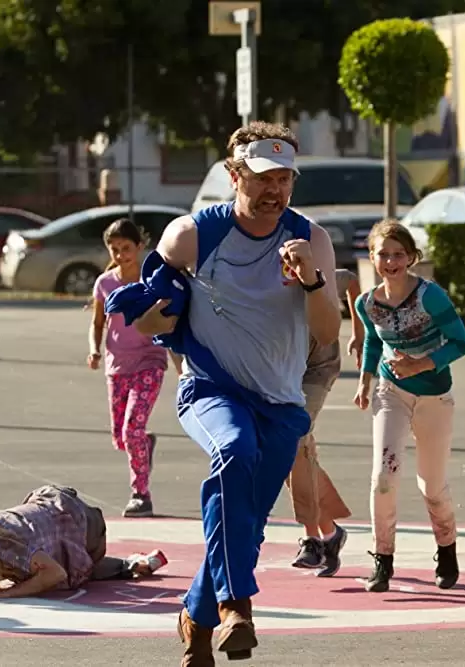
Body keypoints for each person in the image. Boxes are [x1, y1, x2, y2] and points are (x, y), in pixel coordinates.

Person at [131, 122, 340, 665]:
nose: (275, 192)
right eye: (263, 179)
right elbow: (149, 317)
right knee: (233, 452)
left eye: (285, 180)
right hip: (209, 387)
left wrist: (312, 279)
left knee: (243, 525)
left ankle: (195, 622)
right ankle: (235, 607)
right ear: (234, 174)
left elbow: (327, 332)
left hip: (281, 402)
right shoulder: (192, 235)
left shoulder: (310, 238)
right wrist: (153, 314)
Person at [354, 220, 465, 593]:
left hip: (435, 396)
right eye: (383, 254)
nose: (391, 261)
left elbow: (460, 342)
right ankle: (382, 559)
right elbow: (373, 340)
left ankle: (447, 550)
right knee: (383, 478)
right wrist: (365, 380)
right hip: (391, 394)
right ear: (372, 258)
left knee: (432, 486)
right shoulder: (367, 302)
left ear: (411, 258)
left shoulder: (430, 296)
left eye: (398, 254)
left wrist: (422, 364)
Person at [0, 485, 167, 599]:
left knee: (73, 571)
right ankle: (138, 564)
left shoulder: (4, 545)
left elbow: (55, 574)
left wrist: (8, 593)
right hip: (59, 509)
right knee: (75, 565)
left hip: (83, 524)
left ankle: (136, 564)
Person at [88, 219, 176, 518]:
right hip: (117, 365)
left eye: (126, 248)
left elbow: (171, 315)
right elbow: (98, 323)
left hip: (149, 361)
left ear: (140, 247)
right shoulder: (105, 283)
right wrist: (94, 349)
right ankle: (143, 445)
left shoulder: (151, 281)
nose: (120, 254)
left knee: (131, 430)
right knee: (121, 438)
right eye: (114, 249)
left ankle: (141, 494)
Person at [286, 268, 361, 576]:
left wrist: (360, 330)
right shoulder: (258, 279)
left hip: (318, 369)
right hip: (281, 371)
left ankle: (312, 539)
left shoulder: (324, 276)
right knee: (294, 454)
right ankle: (330, 532)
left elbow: (353, 282)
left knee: (293, 439)